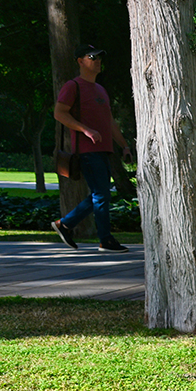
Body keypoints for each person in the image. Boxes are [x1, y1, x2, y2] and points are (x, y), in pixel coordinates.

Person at [50, 44, 132, 253]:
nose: (97, 61)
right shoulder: (73, 86)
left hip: (103, 149)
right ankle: (105, 239)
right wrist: (85, 130)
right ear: (80, 61)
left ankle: (65, 224)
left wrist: (124, 145)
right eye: (92, 57)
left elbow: (110, 121)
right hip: (86, 150)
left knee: (101, 193)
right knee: (101, 194)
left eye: (99, 58)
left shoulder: (100, 90)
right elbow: (59, 113)